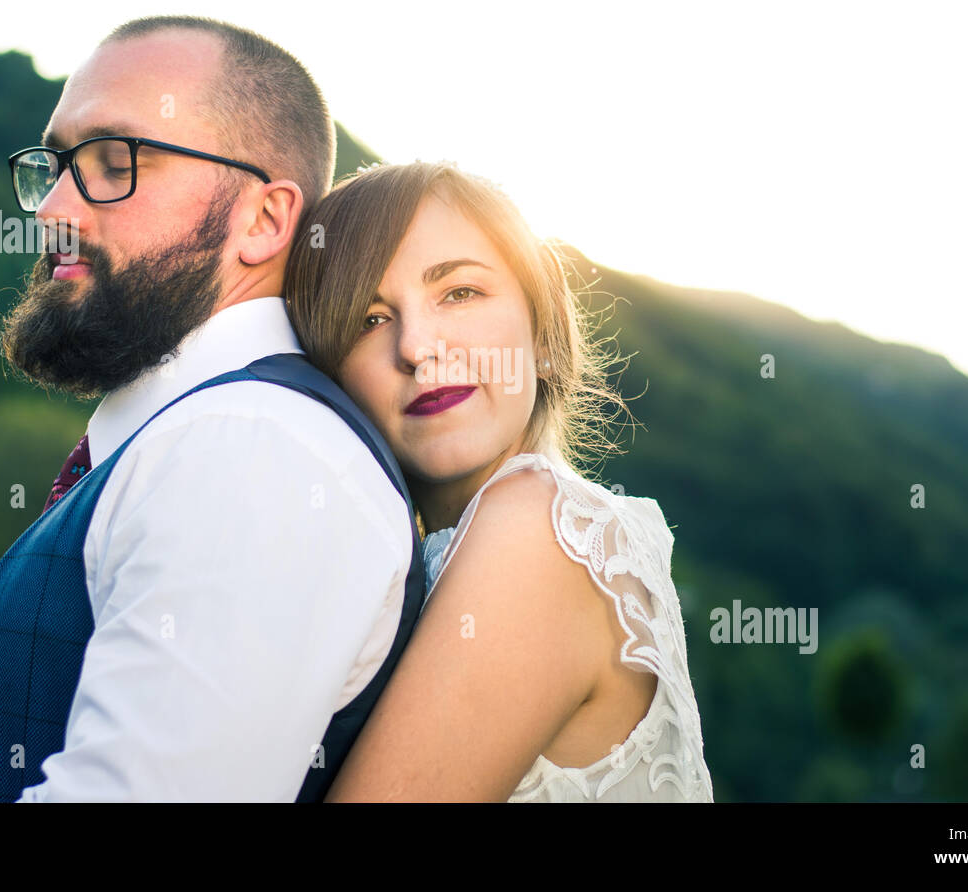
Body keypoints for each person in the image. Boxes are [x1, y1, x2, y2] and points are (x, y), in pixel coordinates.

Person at [0, 17, 425, 802]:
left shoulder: (257, 449)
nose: (50, 209)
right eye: (51, 166)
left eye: (114, 162)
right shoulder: (198, 439)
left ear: (265, 219)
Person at [283, 161, 715, 801]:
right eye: (369, 319)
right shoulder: (480, 538)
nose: (417, 347)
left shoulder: (536, 530)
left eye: (459, 292)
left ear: (542, 334)